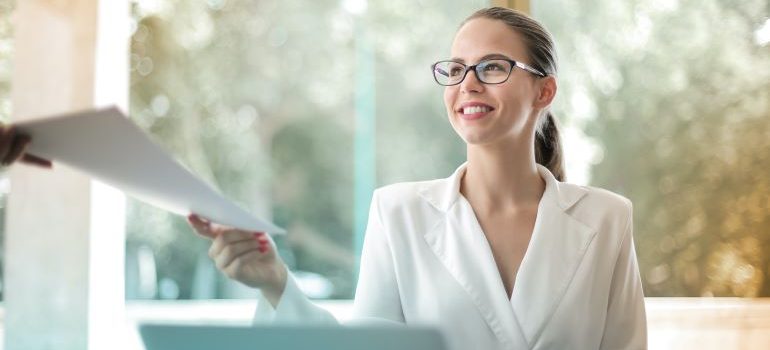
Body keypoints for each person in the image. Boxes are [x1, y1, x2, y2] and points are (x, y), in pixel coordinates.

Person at [188, 7, 647, 350]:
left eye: (491, 66)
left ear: (544, 90)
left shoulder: (606, 218)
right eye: (455, 69)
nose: (468, 83)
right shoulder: (398, 213)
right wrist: (274, 282)